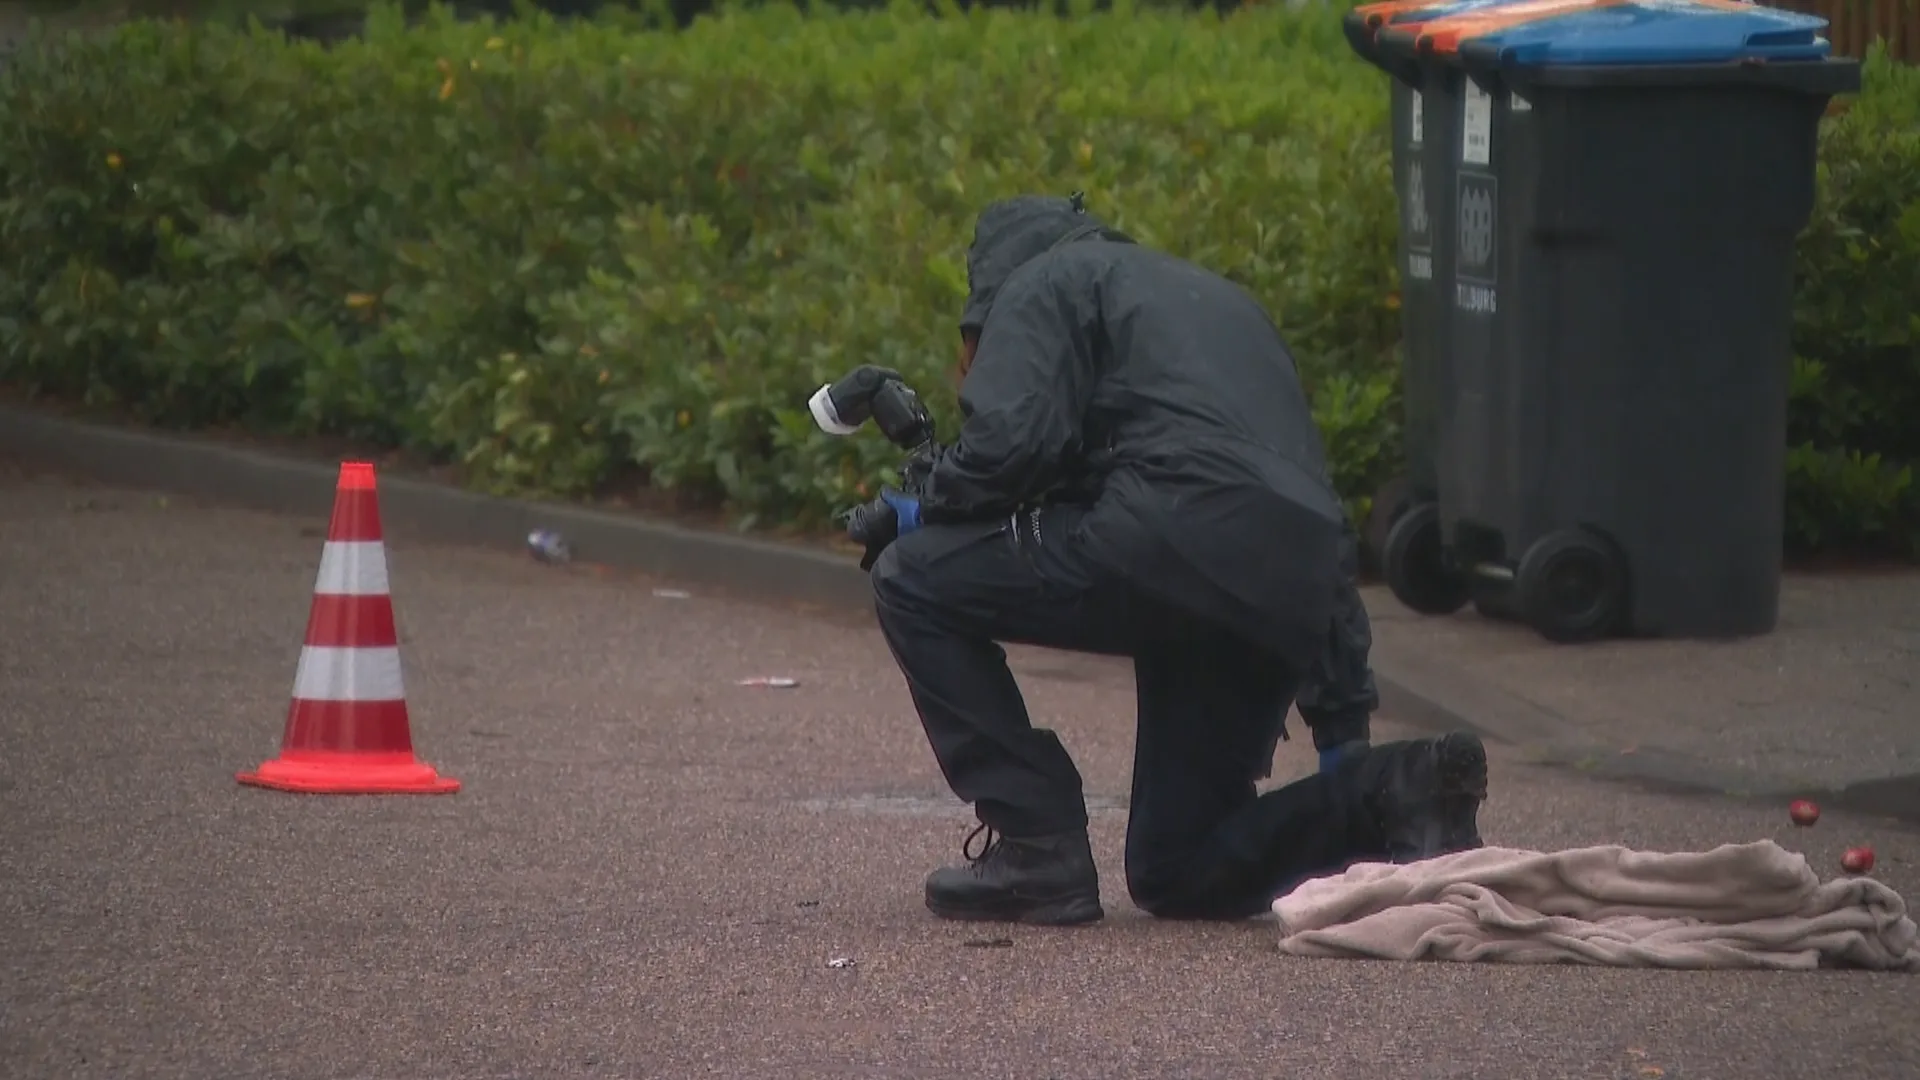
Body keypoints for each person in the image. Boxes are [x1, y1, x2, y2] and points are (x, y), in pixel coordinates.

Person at [856, 192, 1488, 926]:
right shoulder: (1219, 309)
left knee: (911, 579)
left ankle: (1038, 844)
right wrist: (1343, 738)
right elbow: (1299, 520)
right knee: (1177, 868)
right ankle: (1397, 793)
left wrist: (919, 511)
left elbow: (1010, 447)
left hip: (1165, 532)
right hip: (1276, 583)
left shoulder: (1042, 283)